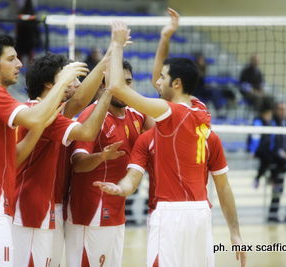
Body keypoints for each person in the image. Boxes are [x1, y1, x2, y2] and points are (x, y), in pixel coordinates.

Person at [102, 9, 245, 266]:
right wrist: (235, 233)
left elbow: (116, 87)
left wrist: (117, 45)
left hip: (170, 214)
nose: (157, 82)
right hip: (202, 212)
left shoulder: (170, 112)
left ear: (176, 84)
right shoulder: (199, 111)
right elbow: (223, 187)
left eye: (163, 79)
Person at [0, 33, 88, 266]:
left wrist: (42, 124)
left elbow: (15, 156)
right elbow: (35, 116)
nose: (19, 64)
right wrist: (61, 82)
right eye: (11, 59)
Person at [11, 52, 114, 267]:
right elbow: (87, 132)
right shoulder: (37, 112)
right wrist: (108, 92)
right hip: (31, 208)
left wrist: (106, 60)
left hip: (49, 207)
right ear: (50, 84)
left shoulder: (50, 111)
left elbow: (78, 102)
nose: (73, 82)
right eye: (67, 76)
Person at [96, 126, 245, 267]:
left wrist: (235, 233)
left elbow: (223, 187)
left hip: (200, 218)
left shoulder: (208, 138)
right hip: (163, 218)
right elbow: (132, 179)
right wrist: (120, 188)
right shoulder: (147, 139)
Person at [65, 60, 154, 267]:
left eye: (128, 83)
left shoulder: (137, 114)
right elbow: (77, 163)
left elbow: (162, 134)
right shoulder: (92, 114)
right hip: (91, 212)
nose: (124, 89)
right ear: (103, 87)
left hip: (117, 209)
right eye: (117, 83)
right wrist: (101, 157)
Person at [268, 102, 286, 223]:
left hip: (284, 163)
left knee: (279, 189)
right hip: (275, 162)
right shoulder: (272, 123)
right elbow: (270, 142)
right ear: (275, 110)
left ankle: (274, 214)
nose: (282, 111)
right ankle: (272, 215)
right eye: (280, 109)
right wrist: (279, 151)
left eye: (284, 109)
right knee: (276, 189)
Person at [247, 100, 274, 188]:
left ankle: (270, 179)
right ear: (263, 114)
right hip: (258, 149)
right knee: (268, 159)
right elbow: (255, 138)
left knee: (277, 158)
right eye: (268, 114)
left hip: (267, 149)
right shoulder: (257, 122)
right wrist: (252, 151)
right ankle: (258, 179)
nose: (270, 116)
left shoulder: (270, 123)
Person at [193, 53, 227, 118]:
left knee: (215, 90)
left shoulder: (203, 70)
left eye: (203, 60)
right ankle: (219, 109)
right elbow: (196, 84)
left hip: (201, 89)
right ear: (197, 61)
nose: (203, 62)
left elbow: (202, 84)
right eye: (201, 60)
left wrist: (206, 86)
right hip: (195, 91)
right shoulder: (195, 71)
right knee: (214, 91)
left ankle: (220, 109)